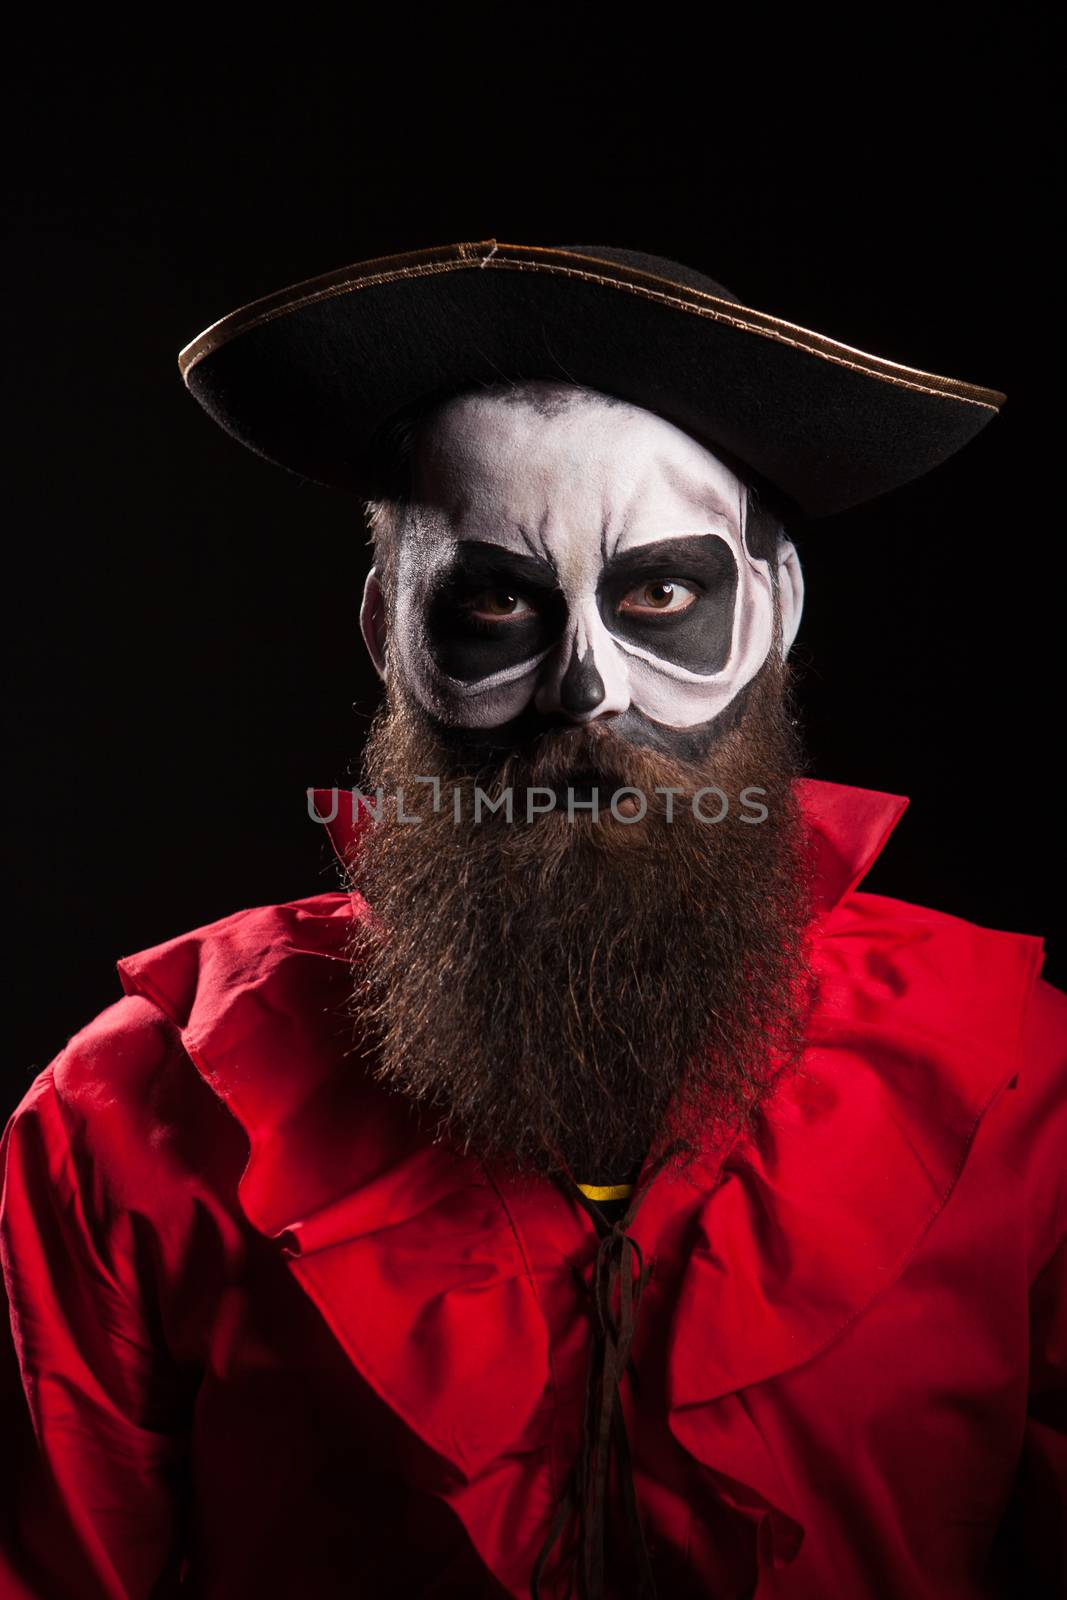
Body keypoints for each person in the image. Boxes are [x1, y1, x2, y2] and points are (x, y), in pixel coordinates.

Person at [2, 241, 1063, 1599]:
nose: (586, 688)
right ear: (390, 630)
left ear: (777, 612)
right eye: (498, 599)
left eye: (663, 594)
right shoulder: (129, 1122)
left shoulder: (1025, 1100)